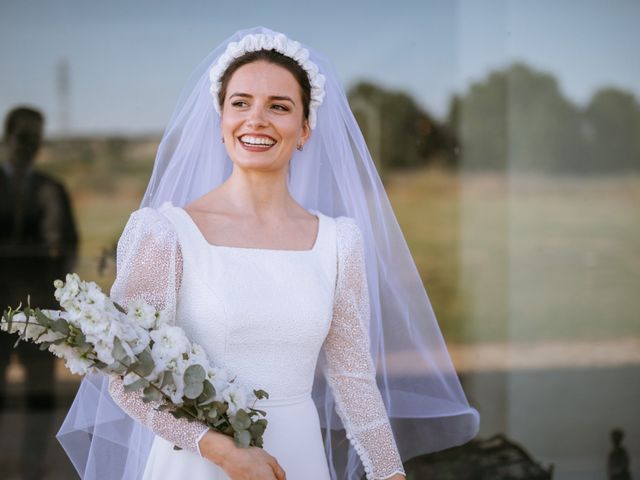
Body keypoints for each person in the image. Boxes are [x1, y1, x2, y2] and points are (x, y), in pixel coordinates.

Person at [57, 27, 479, 480]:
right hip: (196, 463)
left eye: (278, 106)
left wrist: (390, 474)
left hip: (298, 457)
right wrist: (223, 452)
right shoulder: (165, 234)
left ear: (304, 129)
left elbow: (354, 382)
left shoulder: (338, 242)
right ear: (220, 119)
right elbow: (126, 376)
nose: (256, 119)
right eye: (240, 103)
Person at [0, 106, 78, 479]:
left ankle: (31, 465)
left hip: (38, 312)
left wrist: (52, 302)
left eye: (35, 138)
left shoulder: (53, 189)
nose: (29, 146)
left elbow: (67, 247)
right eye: (22, 137)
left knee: (40, 393)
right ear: (7, 138)